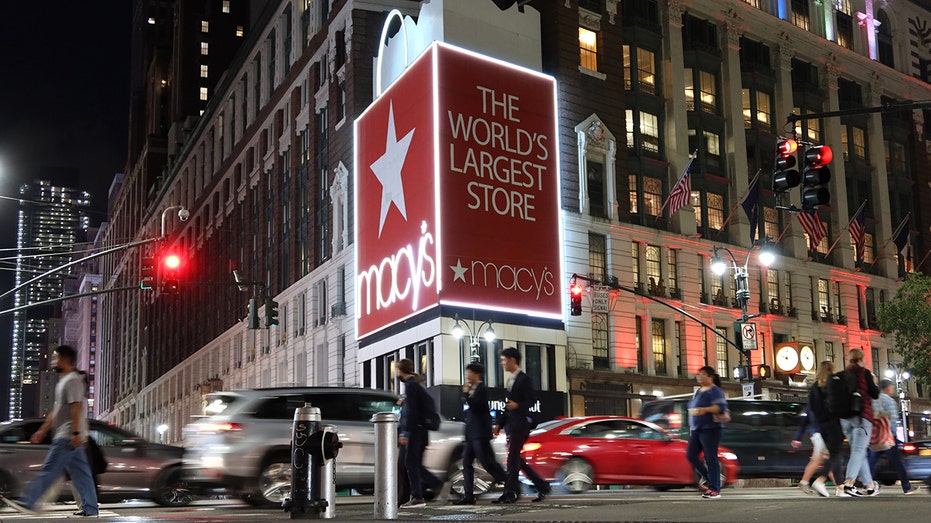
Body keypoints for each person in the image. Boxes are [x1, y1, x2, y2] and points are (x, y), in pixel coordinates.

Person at [1, 345, 99, 517]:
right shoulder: (65, 382)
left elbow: (76, 407)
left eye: (55, 358)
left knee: (50, 469)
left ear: (64, 359)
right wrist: (42, 430)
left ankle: (28, 501)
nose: (53, 361)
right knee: (81, 474)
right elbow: (56, 411)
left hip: (68, 435)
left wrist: (76, 433)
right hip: (69, 435)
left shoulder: (73, 380)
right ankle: (90, 509)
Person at [492, 347, 550, 503]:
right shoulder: (510, 380)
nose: (502, 363)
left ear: (512, 360)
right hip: (512, 425)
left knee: (512, 459)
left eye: (504, 360)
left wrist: (518, 405)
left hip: (520, 425)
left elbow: (531, 400)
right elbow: (508, 406)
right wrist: (499, 424)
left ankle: (510, 492)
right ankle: (542, 485)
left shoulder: (524, 379)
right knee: (516, 459)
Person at [396, 358, 446, 508]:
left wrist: (406, 433)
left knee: (411, 464)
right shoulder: (415, 386)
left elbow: (412, 412)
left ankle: (418, 496)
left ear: (400, 370)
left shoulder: (411, 386)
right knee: (414, 464)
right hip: (421, 431)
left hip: (415, 432)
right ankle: (434, 487)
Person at [457, 362, 507, 505]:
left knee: (487, 463)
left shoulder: (482, 389)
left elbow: (477, 407)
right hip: (472, 435)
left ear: (477, 374)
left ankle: (510, 484)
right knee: (466, 463)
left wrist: (466, 394)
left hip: (480, 434)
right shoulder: (473, 390)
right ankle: (468, 495)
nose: (467, 376)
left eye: (469, 373)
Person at [796, 361, 843, 497]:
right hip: (829, 424)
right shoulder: (832, 385)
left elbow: (809, 412)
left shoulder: (814, 388)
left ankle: (838, 486)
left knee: (829, 456)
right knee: (829, 456)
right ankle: (821, 483)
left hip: (819, 427)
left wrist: (799, 435)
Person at [839, 348, 881, 497]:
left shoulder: (843, 375)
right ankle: (849, 483)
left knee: (859, 451)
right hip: (862, 417)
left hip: (845, 419)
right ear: (861, 358)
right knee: (858, 451)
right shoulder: (864, 373)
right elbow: (875, 394)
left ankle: (869, 485)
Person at [868, 379, 920, 495]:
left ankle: (868, 484)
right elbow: (892, 419)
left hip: (875, 436)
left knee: (872, 460)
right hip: (887, 436)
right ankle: (906, 486)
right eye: (891, 387)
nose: (892, 390)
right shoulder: (889, 401)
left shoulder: (872, 400)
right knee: (898, 462)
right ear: (887, 388)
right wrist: (893, 433)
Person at [686, 366, 727, 499]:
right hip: (697, 429)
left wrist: (704, 410)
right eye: (699, 374)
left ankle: (715, 489)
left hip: (711, 428)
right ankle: (711, 480)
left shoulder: (715, 391)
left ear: (710, 377)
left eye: (702, 374)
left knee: (710, 458)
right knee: (691, 455)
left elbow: (720, 407)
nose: (699, 376)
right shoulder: (699, 391)